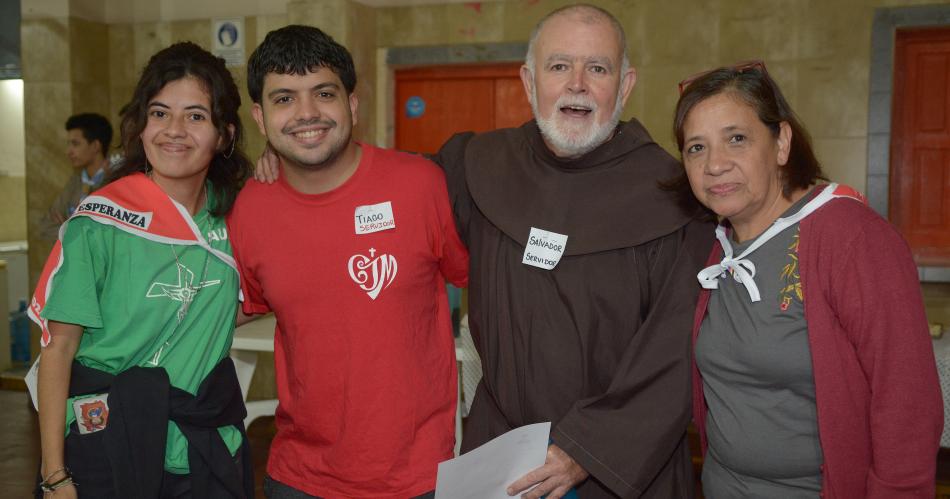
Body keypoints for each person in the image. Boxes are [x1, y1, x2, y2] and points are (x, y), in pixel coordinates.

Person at [254, 5, 713, 498]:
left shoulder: (675, 196)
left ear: (623, 86)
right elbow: (380, 191)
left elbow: (676, 349)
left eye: (597, 68)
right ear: (529, 80)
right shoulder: (479, 166)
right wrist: (294, 160)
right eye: (559, 66)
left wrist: (588, 447)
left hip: (617, 463)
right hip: (503, 453)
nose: (576, 83)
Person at [674, 61, 943, 498]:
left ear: (781, 143)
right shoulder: (712, 244)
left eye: (736, 139)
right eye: (696, 148)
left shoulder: (852, 237)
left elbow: (907, 402)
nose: (715, 165)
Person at [229, 25, 468, 498]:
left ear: (353, 104)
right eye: (284, 99)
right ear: (259, 115)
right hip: (299, 477)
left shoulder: (421, 185)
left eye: (323, 93)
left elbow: (484, 281)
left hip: (416, 479)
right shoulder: (250, 207)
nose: (307, 114)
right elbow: (233, 308)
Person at [30, 42, 254, 498]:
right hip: (106, 440)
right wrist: (54, 475)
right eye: (159, 113)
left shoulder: (239, 217)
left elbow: (244, 303)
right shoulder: (99, 222)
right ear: (140, 126)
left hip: (201, 447)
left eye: (195, 116)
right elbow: (59, 349)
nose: (174, 131)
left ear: (224, 134)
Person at [39, 113, 114, 242]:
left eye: (75, 144)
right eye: (68, 144)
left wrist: (66, 227)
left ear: (95, 146)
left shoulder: (115, 180)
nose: (69, 151)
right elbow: (45, 227)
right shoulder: (75, 182)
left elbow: (111, 234)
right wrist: (80, 232)